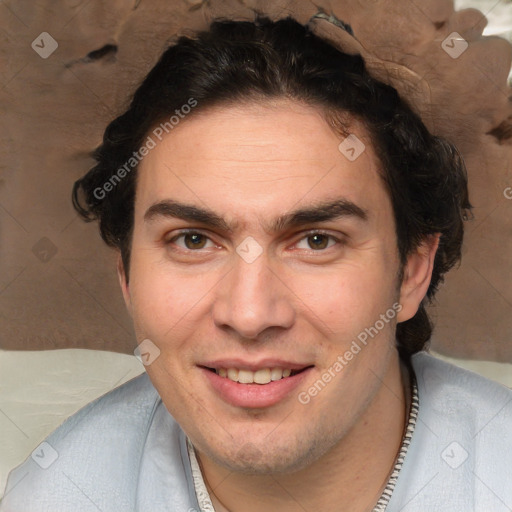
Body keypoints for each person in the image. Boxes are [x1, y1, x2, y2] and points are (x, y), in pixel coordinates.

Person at [1, 14, 511, 512]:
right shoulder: (53, 495)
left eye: (316, 240)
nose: (249, 315)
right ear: (127, 277)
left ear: (411, 272)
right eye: (194, 240)